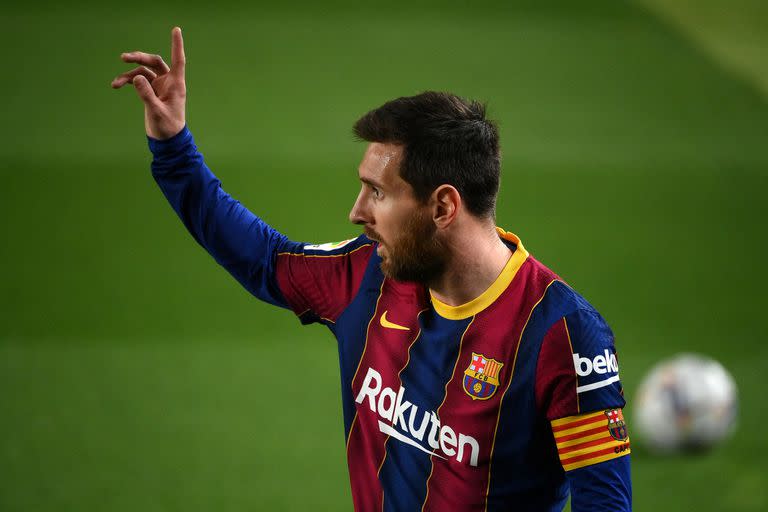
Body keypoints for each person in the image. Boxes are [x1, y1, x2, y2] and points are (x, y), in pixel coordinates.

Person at [112, 27, 632, 511]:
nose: (357, 212)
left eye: (378, 192)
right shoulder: (366, 278)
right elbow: (263, 258)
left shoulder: (563, 332)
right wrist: (173, 145)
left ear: (444, 207)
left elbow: (604, 503)